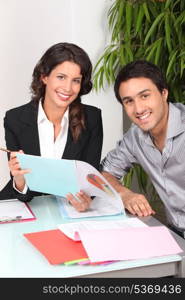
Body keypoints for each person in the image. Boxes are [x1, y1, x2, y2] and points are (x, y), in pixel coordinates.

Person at [0, 42, 103, 212]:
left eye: (76, 80)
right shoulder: (15, 119)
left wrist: (85, 199)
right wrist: (19, 179)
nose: (68, 88)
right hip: (22, 206)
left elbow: (88, 179)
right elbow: (22, 193)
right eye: (61, 77)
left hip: (69, 209)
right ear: (44, 77)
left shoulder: (92, 118)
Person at [101, 60, 185, 238]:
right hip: (175, 235)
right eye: (129, 101)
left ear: (163, 93)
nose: (138, 108)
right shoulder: (135, 136)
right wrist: (125, 194)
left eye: (145, 96)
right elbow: (104, 173)